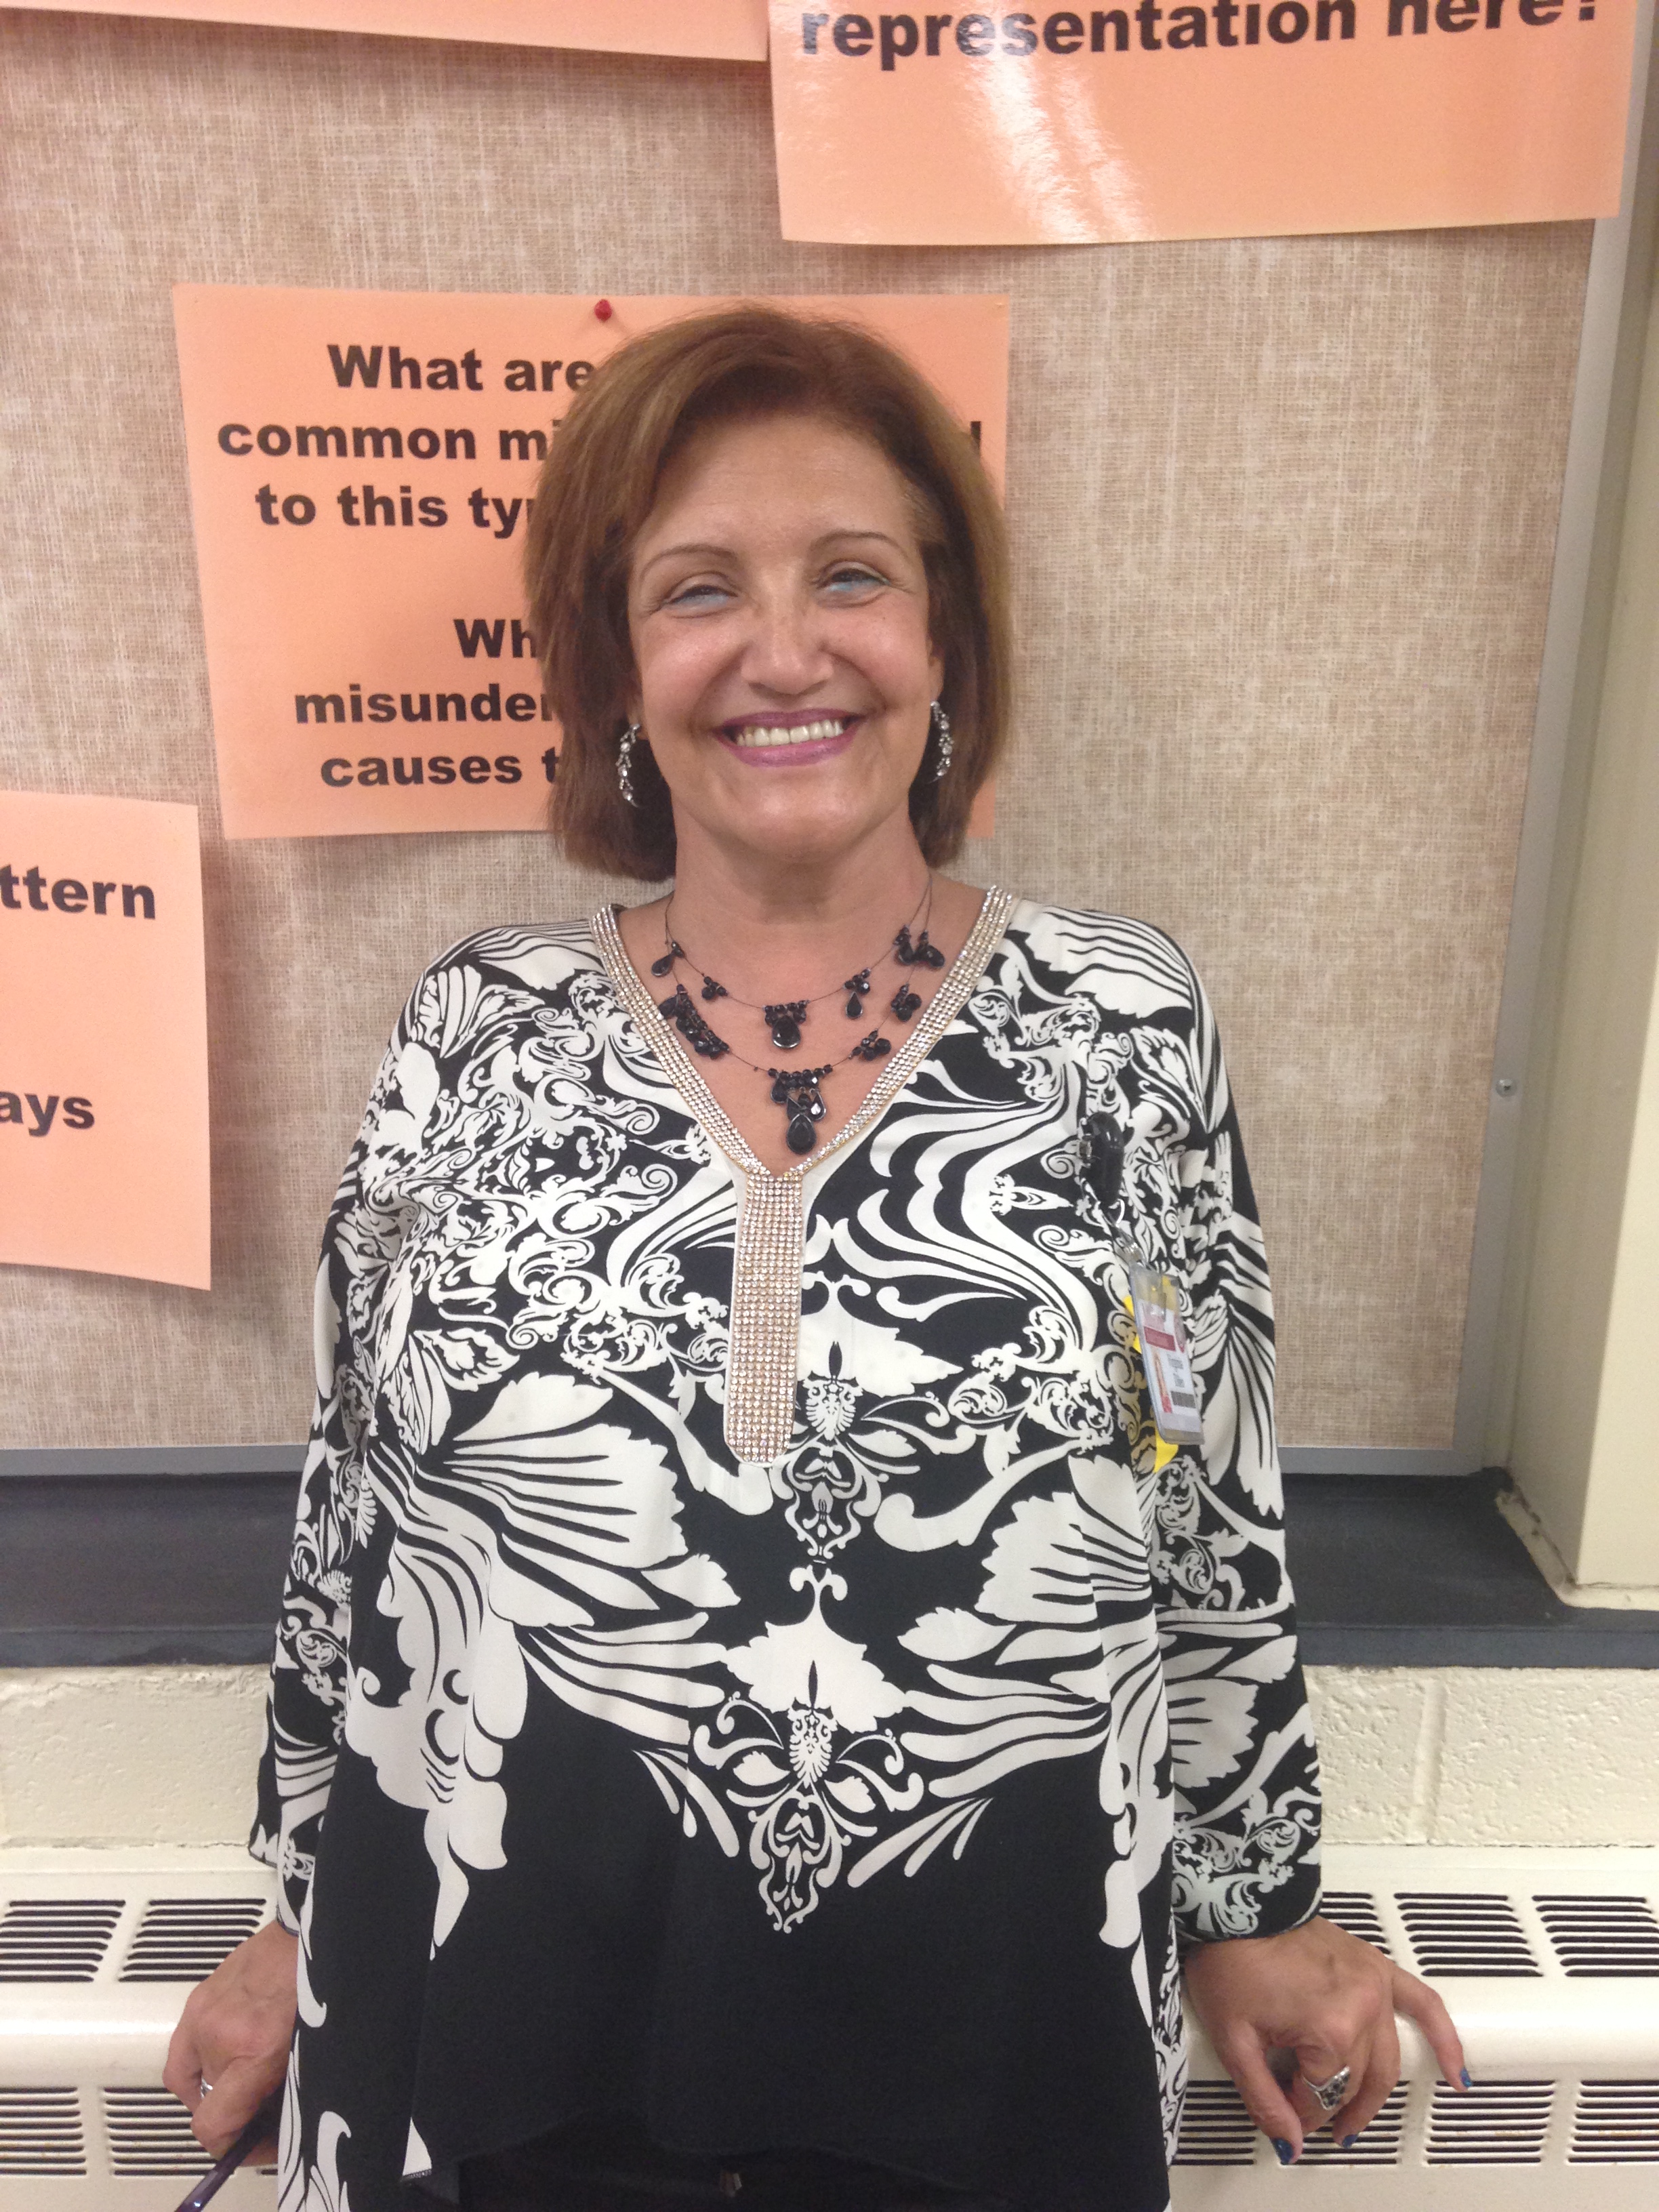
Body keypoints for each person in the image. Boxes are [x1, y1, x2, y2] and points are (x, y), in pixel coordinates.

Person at [165, 306, 1465, 2212]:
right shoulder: (473, 1027)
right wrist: (292, 1911)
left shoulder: (1122, 1024)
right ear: (618, 663)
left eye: (851, 575)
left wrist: (1253, 1903)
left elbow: (1204, 1477)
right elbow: (350, 1509)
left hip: (987, 2033)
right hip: (502, 2021)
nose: (785, 652)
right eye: (699, 589)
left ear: (945, 642)